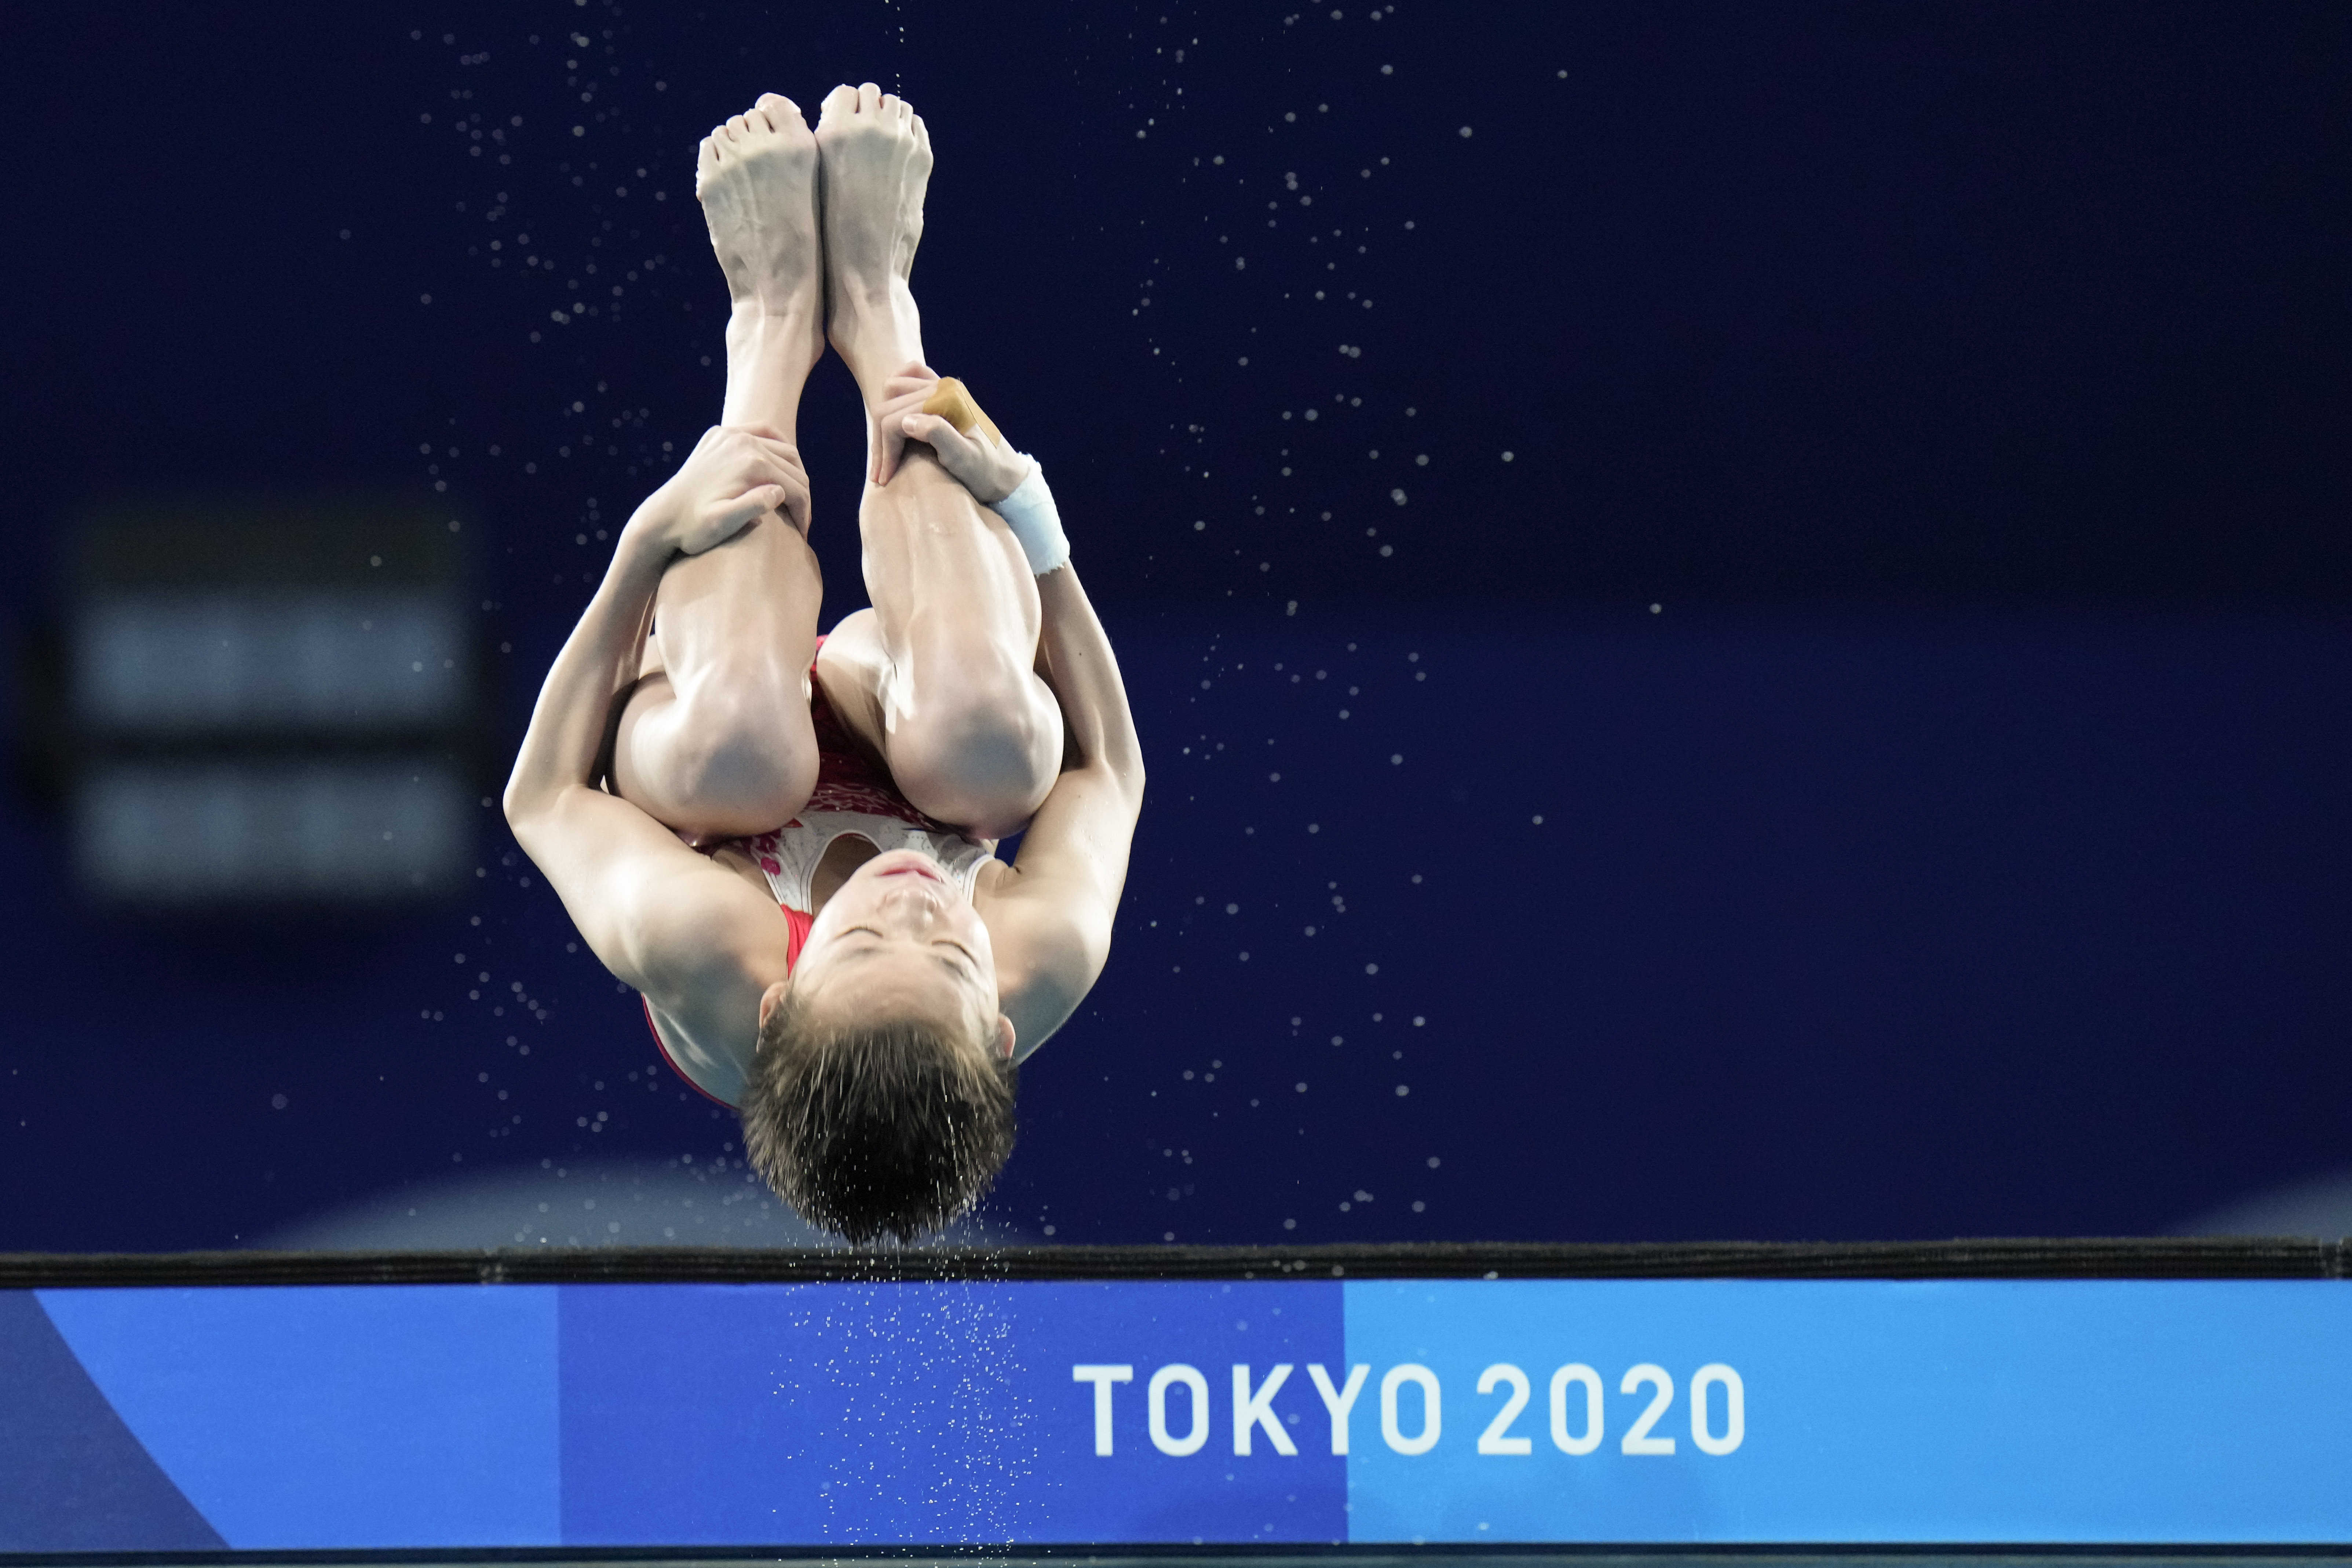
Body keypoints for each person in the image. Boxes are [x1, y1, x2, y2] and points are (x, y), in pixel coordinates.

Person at [503, 85, 1145, 1243]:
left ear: (783, 989)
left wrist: (647, 543)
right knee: (989, 745)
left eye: (856, 938)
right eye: (949, 945)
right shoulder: (1047, 953)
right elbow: (1112, 772)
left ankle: (770, 318)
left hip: (710, 728)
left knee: (737, 751)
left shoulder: (700, 945)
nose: (906, 907)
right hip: (892, 697)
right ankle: (880, 310)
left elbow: (542, 795)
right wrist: (1035, 527)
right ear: (998, 1024)